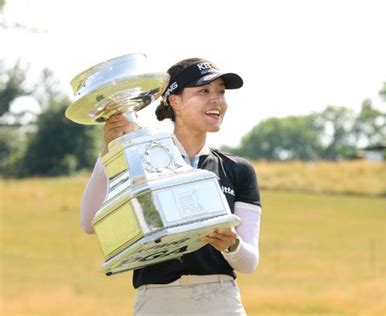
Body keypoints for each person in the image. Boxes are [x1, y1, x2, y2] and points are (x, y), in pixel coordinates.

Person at [80, 58, 262, 315]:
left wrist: (232, 246)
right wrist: (108, 151)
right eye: (203, 91)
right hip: (156, 299)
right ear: (175, 101)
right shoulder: (140, 156)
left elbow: (249, 262)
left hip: (220, 299)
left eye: (221, 92)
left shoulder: (237, 169)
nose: (216, 100)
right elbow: (89, 222)